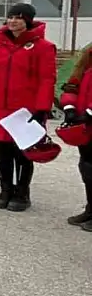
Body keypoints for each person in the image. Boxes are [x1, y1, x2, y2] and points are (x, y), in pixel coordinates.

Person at [0, 4, 56, 211]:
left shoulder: (43, 47)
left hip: (25, 109)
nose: (13, 21)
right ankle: (5, 188)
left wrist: (42, 107)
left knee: (23, 151)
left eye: (19, 18)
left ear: (28, 21)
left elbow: (46, 79)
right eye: (10, 17)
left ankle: (22, 192)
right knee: (2, 149)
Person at [59, 46, 92, 231]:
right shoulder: (87, 57)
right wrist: (69, 107)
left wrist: (90, 111)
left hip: (88, 118)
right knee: (87, 167)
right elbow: (72, 84)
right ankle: (90, 209)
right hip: (85, 125)